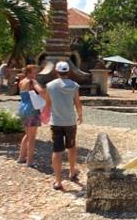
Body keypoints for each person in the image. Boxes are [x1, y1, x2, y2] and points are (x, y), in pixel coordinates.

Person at [46, 61, 83, 191]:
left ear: (56, 71)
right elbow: (77, 102)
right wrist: (80, 115)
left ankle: (58, 181)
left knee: (57, 151)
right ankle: (72, 172)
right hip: (70, 122)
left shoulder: (50, 86)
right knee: (71, 147)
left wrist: (45, 114)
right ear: (68, 72)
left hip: (56, 122)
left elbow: (48, 102)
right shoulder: (74, 86)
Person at [17, 65, 46, 167]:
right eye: (35, 72)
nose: (36, 73)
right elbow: (41, 91)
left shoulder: (22, 81)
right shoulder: (32, 81)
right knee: (32, 138)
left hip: (22, 108)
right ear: (30, 72)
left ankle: (21, 157)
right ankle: (29, 161)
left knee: (27, 135)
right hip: (32, 109)